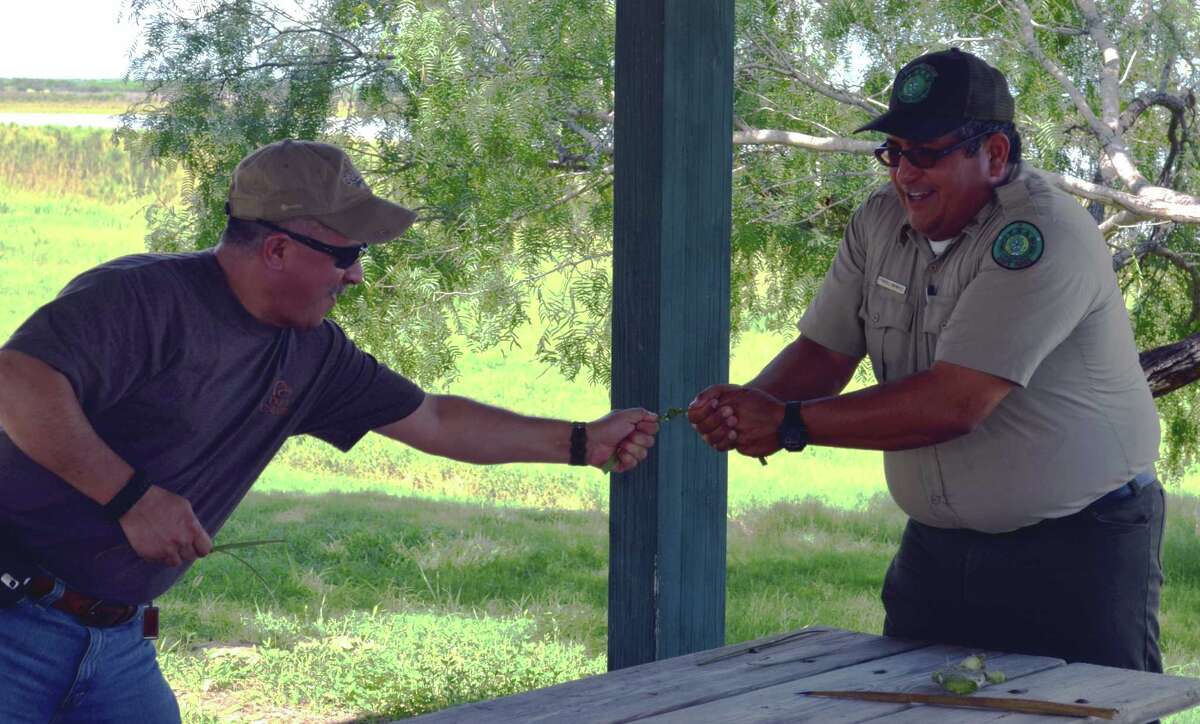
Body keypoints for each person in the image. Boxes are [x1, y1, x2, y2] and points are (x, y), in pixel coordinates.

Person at [0, 139, 659, 722]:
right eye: (346, 254)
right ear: (279, 248)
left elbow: (434, 419)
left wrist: (581, 442)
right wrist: (131, 497)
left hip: (115, 644)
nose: (357, 275)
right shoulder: (143, 298)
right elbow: (16, 382)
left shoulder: (314, 352)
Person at [689, 48, 1163, 673]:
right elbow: (824, 353)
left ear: (994, 155)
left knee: (1086, 715)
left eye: (928, 152)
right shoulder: (879, 222)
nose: (905, 173)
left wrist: (787, 423)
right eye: (894, 151)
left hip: (1079, 547)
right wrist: (740, 408)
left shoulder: (1041, 235)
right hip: (938, 550)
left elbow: (955, 401)